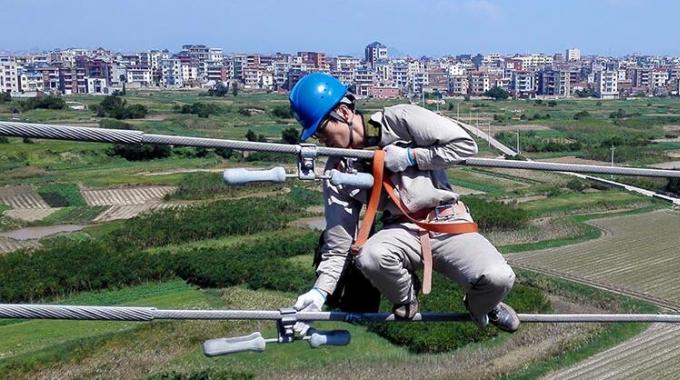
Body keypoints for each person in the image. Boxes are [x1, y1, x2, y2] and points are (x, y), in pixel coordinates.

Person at [289, 72, 519, 334]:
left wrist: (411, 157)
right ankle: (405, 300)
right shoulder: (339, 171)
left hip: (446, 221)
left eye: (320, 128)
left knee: (499, 277)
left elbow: (465, 145)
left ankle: (483, 307)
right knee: (370, 256)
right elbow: (339, 241)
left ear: (343, 112)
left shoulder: (398, 120)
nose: (320, 139)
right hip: (399, 231)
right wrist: (319, 293)